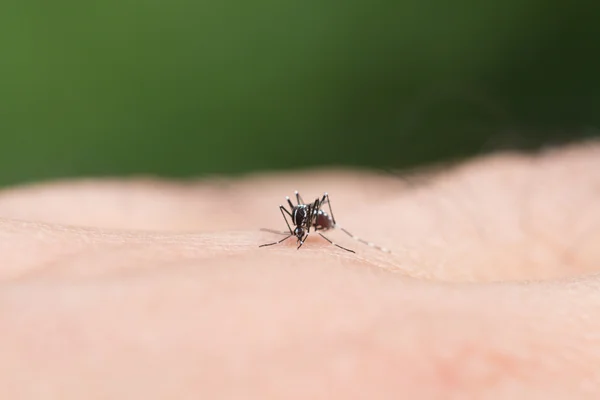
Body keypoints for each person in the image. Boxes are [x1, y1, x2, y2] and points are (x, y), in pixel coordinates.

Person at [0, 141, 598, 398]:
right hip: (312, 222)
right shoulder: (296, 214)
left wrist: (328, 235)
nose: (300, 222)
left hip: (331, 228)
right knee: (293, 203)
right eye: (301, 224)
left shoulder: (318, 220)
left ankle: (328, 237)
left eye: (302, 224)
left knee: (309, 209)